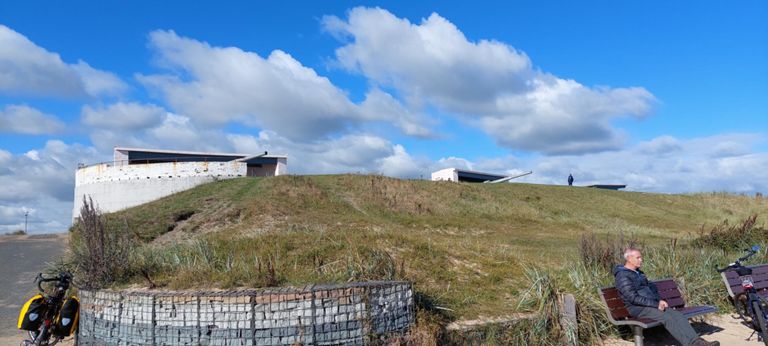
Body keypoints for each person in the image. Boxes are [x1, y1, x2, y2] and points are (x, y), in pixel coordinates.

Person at [614, 248, 719, 346]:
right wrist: (656, 304)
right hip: (637, 308)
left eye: (641, 257)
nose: (641, 260)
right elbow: (632, 298)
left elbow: (651, 288)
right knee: (667, 318)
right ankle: (691, 344)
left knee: (677, 315)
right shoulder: (623, 276)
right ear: (629, 258)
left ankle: (698, 342)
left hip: (649, 304)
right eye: (638, 258)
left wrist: (659, 300)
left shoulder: (639, 273)